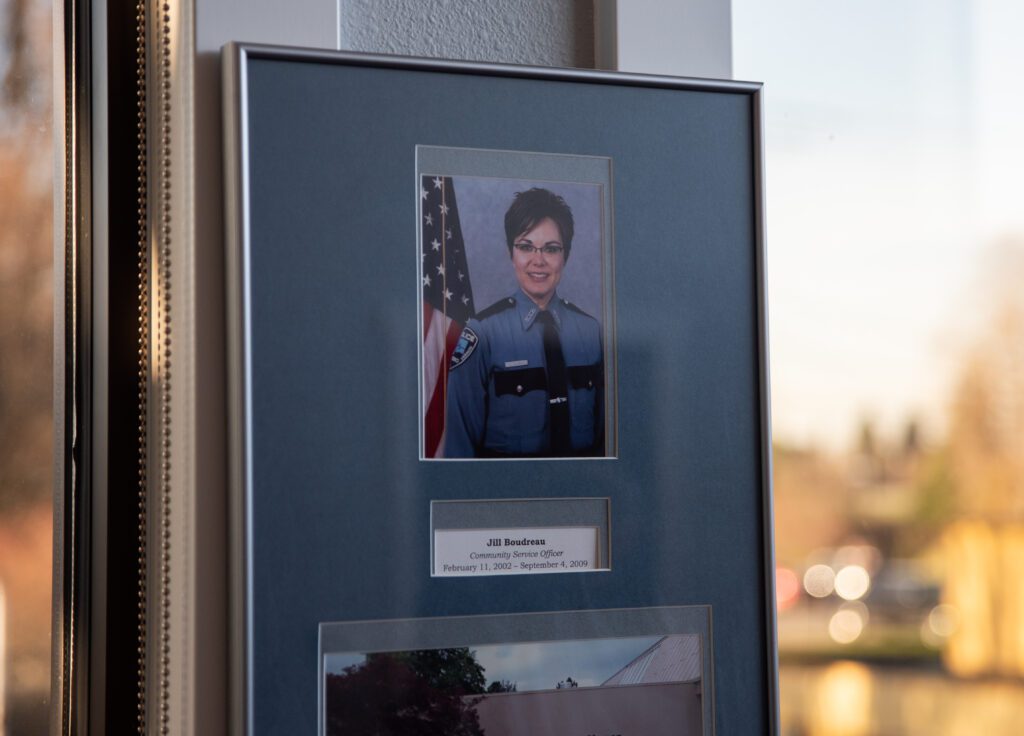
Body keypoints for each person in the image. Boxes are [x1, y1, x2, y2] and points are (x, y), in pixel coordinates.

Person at [445, 187, 604, 458]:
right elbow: (460, 451)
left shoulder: (590, 331)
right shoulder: (483, 333)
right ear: (511, 253)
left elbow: (605, 443)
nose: (538, 261)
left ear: (565, 255)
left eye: (551, 249)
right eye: (526, 246)